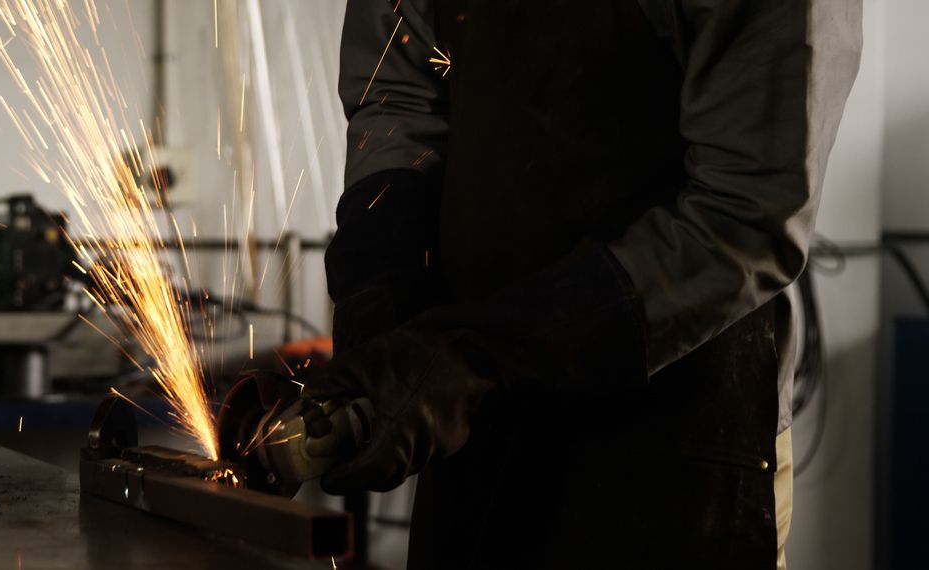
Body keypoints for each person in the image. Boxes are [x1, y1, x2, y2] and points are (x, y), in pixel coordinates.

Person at [303, 1, 863, 568]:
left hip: (671, 443)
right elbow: (397, 88)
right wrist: (377, 280)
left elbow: (745, 216)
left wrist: (474, 359)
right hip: (473, 425)